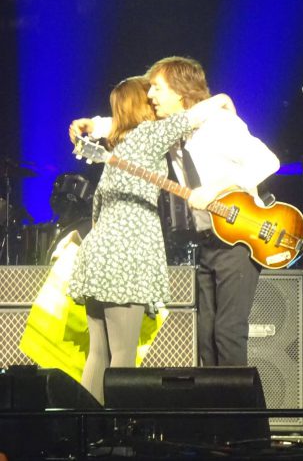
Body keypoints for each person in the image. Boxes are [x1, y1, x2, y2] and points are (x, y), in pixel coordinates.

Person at [69, 56, 280, 370]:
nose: (151, 96)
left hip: (242, 239)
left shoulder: (219, 125)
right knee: (206, 337)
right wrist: (94, 125)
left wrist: (217, 189)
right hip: (209, 243)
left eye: (157, 88)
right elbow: (132, 124)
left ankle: (245, 420)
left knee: (227, 332)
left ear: (180, 92)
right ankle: (214, 418)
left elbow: (267, 161)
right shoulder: (171, 136)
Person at [68, 74, 235, 403]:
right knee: (123, 357)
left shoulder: (119, 145)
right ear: (141, 104)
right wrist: (221, 99)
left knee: (98, 353)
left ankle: (86, 435)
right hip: (126, 258)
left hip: (97, 253)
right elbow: (190, 116)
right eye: (151, 94)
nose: (156, 98)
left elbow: (97, 209)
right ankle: (116, 443)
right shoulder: (149, 135)